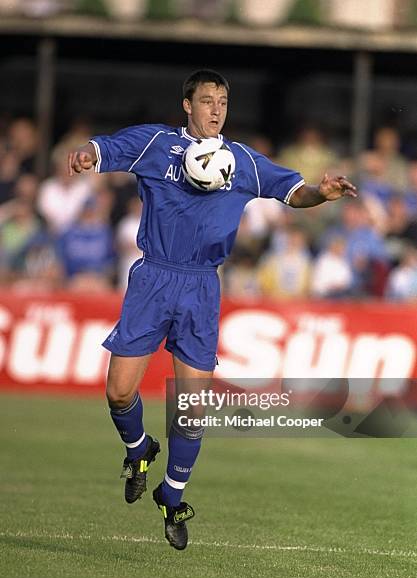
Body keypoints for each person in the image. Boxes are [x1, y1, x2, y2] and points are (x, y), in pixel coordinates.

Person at [68, 69, 356, 551]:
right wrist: (87, 154)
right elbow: (107, 148)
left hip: (202, 286)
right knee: (119, 393)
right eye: (206, 101)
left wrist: (319, 195)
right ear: (188, 105)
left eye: (222, 101)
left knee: (192, 408)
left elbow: (293, 192)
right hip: (154, 277)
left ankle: (172, 495)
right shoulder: (157, 144)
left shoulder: (241, 160)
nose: (216, 109)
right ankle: (139, 451)